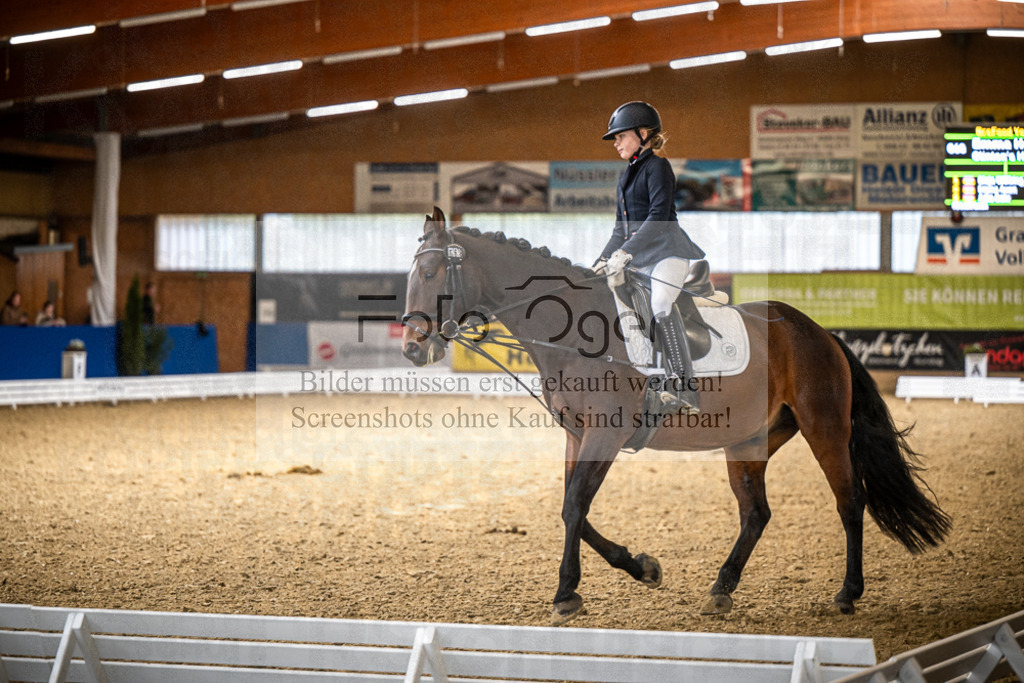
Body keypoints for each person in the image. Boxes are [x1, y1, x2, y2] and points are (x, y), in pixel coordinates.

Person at [595, 101, 706, 414]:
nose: (615, 142)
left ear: (643, 134)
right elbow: (620, 230)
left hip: (669, 253)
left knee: (659, 304)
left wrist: (626, 252)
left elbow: (658, 216)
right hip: (640, 258)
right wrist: (601, 261)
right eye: (614, 138)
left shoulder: (657, 166)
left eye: (621, 136)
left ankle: (686, 388)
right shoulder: (625, 176)